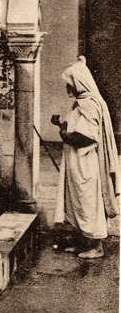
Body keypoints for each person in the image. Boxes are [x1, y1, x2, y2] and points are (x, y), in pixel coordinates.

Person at [53, 56, 120, 259]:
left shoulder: (89, 104)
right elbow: (75, 128)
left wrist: (64, 135)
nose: (67, 88)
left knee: (87, 201)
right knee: (76, 202)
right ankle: (82, 242)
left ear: (78, 83)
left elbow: (86, 136)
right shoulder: (80, 104)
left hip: (85, 163)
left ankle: (96, 246)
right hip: (75, 162)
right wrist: (61, 126)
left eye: (69, 84)